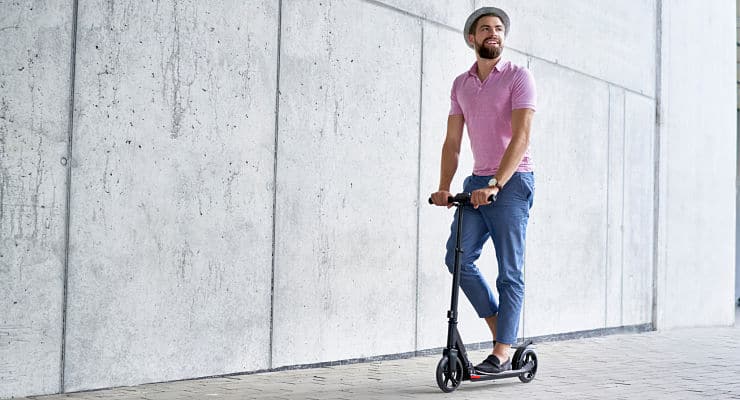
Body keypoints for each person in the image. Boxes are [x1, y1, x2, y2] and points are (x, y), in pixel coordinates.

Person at [430, 6, 536, 375]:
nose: (494, 33)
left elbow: (521, 137)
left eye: (499, 29)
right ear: (472, 38)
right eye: (486, 29)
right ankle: (500, 332)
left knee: (510, 271)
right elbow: (452, 143)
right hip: (476, 184)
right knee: (457, 259)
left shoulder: (519, 77)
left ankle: (502, 352)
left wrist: (497, 184)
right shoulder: (461, 84)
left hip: (512, 181)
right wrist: (444, 188)